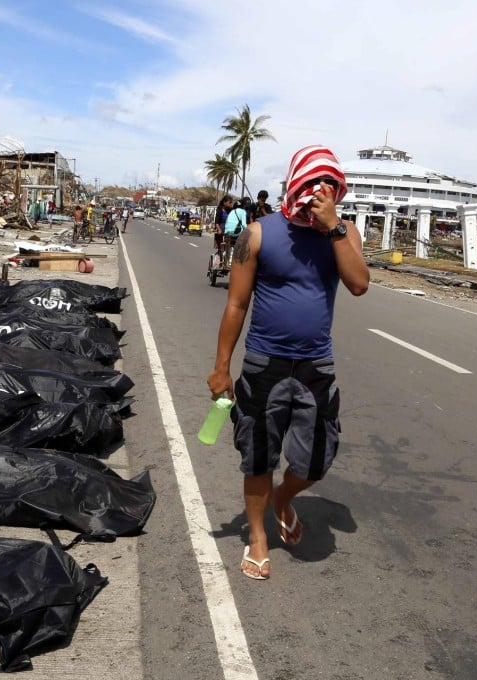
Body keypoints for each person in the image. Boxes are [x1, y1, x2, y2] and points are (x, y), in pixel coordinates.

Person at [206, 145, 369, 580]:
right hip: (264, 363)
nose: (320, 193)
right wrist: (222, 366)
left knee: (316, 459)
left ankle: (284, 497)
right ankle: (258, 538)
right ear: (295, 182)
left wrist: (333, 226)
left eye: (329, 186)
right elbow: (237, 304)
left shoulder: (345, 233)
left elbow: (358, 285)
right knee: (258, 456)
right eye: (313, 184)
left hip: (317, 365)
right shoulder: (258, 234)